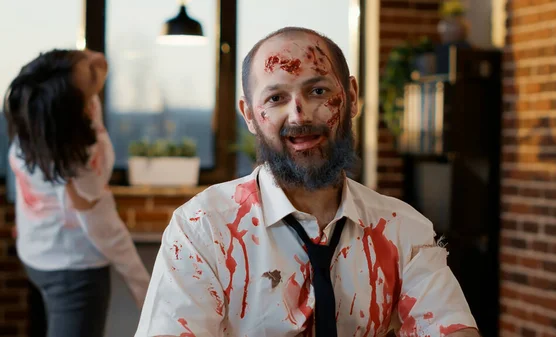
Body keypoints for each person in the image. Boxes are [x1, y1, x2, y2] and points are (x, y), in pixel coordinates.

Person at [135, 27, 480, 337]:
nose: (299, 115)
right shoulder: (203, 229)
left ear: (352, 96)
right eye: (275, 98)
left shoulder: (403, 230)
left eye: (317, 90)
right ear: (250, 116)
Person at [4, 49, 150, 337]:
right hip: (73, 273)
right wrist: (145, 289)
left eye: (81, 55)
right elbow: (104, 228)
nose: (97, 60)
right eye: (91, 73)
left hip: (37, 252)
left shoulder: (36, 122)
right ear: (78, 110)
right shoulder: (80, 163)